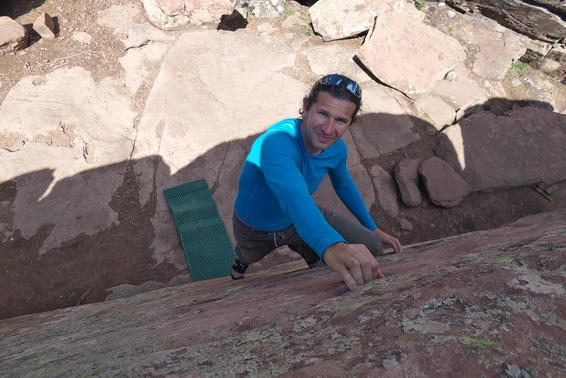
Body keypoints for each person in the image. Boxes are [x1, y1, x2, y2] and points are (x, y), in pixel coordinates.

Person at [231, 74, 403, 291]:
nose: (329, 129)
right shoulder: (276, 143)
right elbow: (294, 198)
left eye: (341, 120)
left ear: (351, 123)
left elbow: (343, 184)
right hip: (256, 226)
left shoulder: (336, 149)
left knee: (372, 244)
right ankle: (242, 261)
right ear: (306, 107)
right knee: (248, 254)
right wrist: (330, 246)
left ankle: (308, 249)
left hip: (300, 216)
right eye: (323, 113)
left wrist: (371, 227)